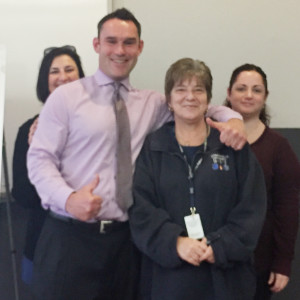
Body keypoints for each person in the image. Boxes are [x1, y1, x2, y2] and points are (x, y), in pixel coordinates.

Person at [27, 8, 247, 300]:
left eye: (129, 42)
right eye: (111, 41)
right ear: (97, 44)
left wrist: (233, 119)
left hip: (126, 243)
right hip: (70, 238)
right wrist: (68, 199)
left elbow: (191, 104)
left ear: (140, 47)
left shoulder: (151, 104)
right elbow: (39, 160)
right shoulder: (65, 99)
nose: (120, 50)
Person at [129, 58, 267, 300]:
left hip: (226, 277)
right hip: (168, 278)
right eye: (180, 89)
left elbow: (252, 207)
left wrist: (220, 245)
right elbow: (141, 208)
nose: (189, 97)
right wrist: (175, 242)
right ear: (169, 100)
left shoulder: (231, 144)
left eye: (198, 90)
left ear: (208, 99)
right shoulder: (153, 147)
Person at [224, 63, 300, 299]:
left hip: (259, 261)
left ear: (265, 96)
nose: (248, 95)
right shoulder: (210, 140)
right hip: (214, 257)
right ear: (229, 93)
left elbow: (287, 208)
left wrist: (283, 262)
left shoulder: (279, 148)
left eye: (256, 90)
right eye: (241, 88)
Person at [11, 45, 84, 286]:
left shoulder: (97, 127)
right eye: (54, 71)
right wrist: (39, 156)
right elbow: (23, 195)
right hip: (45, 241)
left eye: (69, 69)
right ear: (45, 80)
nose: (62, 77)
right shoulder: (28, 131)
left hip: (90, 244)